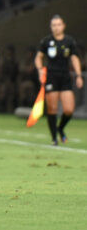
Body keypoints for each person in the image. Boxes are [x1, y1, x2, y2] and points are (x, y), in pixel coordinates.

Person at [34, 15, 83, 145]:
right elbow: (39, 57)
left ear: (64, 25)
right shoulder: (46, 41)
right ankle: (54, 138)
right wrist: (40, 70)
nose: (56, 27)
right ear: (51, 27)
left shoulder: (69, 41)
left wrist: (78, 75)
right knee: (52, 109)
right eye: (53, 25)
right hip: (51, 76)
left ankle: (60, 128)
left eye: (58, 24)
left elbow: (74, 58)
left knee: (68, 110)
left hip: (65, 77)